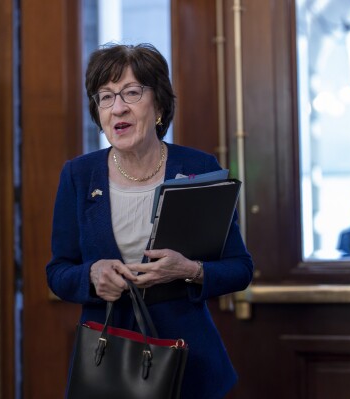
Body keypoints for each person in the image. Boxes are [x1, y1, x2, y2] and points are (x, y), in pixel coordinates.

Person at [46, 43, 254, 399]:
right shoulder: (78, 175)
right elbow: (58, 272)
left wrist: (189, 269)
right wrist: (92, 275)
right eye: (106, 97)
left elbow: (240, 268)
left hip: (189, 364)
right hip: (108, 366)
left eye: (131, 92)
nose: (118, 107)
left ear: (158, 103)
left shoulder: (199, 168)